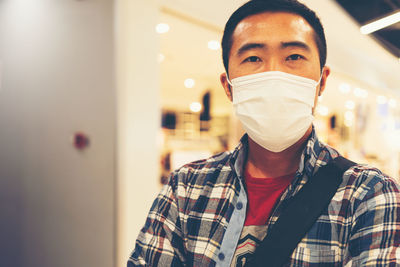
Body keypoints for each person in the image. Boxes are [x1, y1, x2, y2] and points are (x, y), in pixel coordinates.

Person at [128, 0, 400, 266]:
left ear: (322, 81)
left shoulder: (367, 193)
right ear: (229, 86)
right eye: (253, 57)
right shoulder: (186, 187)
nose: (273, 73)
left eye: (294, 56)